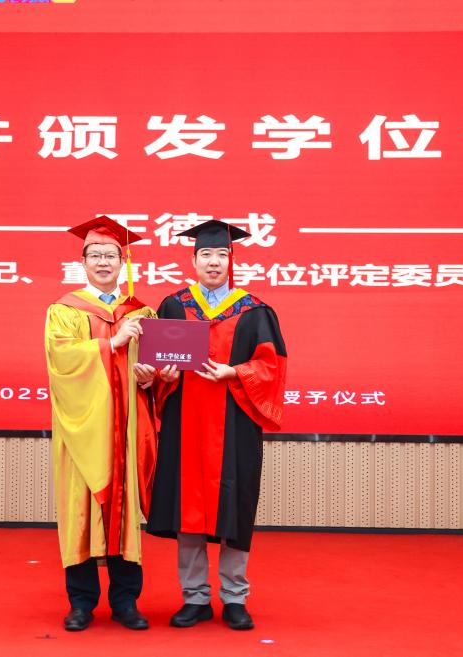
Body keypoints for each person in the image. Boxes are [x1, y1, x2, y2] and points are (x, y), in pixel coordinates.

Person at [142, 220, 288, 631]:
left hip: (235, 425)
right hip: (184, 423)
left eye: (221, 255)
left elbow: (272, 366)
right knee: (186, 507)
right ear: (193, 260)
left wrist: (234, 372)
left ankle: (235, 597)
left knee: (234, 507)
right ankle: (195, 597)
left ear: (231, 260)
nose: (213, 262)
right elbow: (154, 367)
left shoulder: (254, 311)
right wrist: (163, 376)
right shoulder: (174, 306)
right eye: (205, 254)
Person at [45, 216, 173, 632]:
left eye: (110, 256)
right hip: (84, 432)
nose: (103, 262)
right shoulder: (64, 311)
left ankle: (125, 602)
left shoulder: (143, 312)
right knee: (81, 512)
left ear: (123, 262)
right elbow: (61, 362)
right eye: (95, 255)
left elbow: (156, 369)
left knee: (125, 513)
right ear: (82, 263)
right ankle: (81, 603)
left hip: (129, 430)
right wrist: (111, 343)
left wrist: (151, 377)